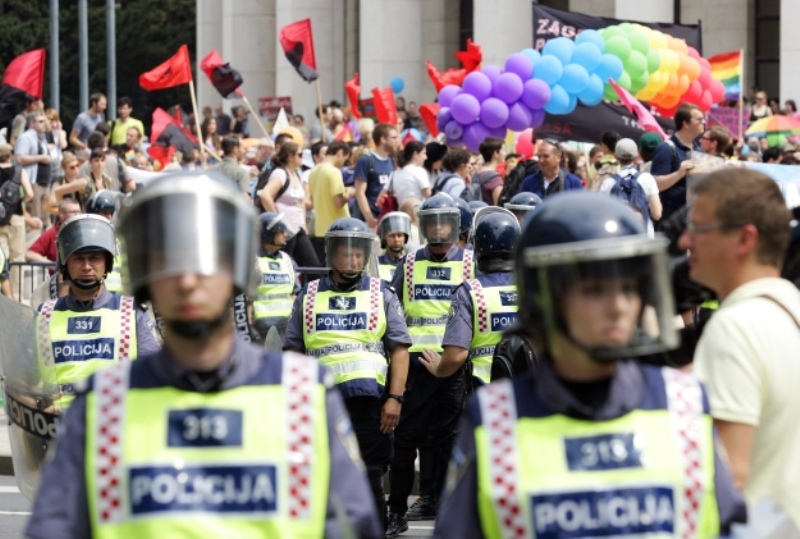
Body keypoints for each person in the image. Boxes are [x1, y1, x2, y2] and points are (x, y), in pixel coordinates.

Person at [26, 171, 383, 539]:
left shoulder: (304, 395)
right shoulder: (102, 405)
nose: (187, 280)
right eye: (169, 263)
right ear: (146, 277)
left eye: (205, 260)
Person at [435, 192, 747, 538]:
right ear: (545, 299)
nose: (619, 307)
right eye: (595, 290)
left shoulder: (685, 402)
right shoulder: (494, 419)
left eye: (629, 288)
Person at [680, 168, 800, 530]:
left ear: (745, 239)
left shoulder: (735, 327)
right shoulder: (787, 305)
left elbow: (732, 473)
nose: (686, 241)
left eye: (699, 229)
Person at [285, 217, 411, 533]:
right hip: (321, 405)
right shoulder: (308, 295)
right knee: (321, 480)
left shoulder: (382, 293)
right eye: (346, 254)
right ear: (332, 255)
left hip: (371, 404)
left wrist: (395, 398)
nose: (353, 259)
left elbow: (399, 350)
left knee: (370, 479)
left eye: (358, 253)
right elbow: (293, 353)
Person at [386, 193, 475, 536]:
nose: (438, 229)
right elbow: (392, 311)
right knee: (406, 439)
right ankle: (396, 511)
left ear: (455, 226)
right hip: (416, 366)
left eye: (445, 222)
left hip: (452, 365)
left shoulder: (469, 262)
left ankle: (440, 502)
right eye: (432, 222)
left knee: (448, 439)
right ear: (422, 226)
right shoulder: (408, 263)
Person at [35, 214, 160, 410]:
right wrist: (35, 406)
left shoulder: (131, 313)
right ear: (65, 263)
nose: (86, 266)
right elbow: (21, 382)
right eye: (78, 258)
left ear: (107, 263)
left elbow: (154, 376)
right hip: (54, 428)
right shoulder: (44, 315)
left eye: (94, 258)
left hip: (114, 423)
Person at [420, 209, 520, 386]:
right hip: (533, 390)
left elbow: (455, 356)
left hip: (487, 394)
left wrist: (439, 369)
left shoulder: (470, 292)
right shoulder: (534, 287)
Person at [258, 142, 319, 268]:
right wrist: (278, 220)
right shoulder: (280, 174)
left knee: (313, 265)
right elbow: (265, 195)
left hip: (298, 228)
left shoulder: (297, 175)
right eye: (300, 155)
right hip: (284, 230)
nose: (302, 158)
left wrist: (303, 224)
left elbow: (301, 202)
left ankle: (306, 288)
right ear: (290, 157)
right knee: (283, 264)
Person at [249, 212, 300, 343]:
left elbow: (294, 294)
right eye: (281, 231)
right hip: (260, 328)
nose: (286, 235)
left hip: (286, 328)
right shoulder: (251, 259)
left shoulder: (287, 259)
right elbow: (244, 299)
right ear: (268, 233)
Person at [651, 104, 704, 224]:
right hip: (671, 217)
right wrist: (679, 173)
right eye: (699, 119)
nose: (704, 122)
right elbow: (655, 184)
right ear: (685, 124)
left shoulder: (698, 150)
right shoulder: (666, 149)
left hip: (692, 215)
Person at [599, 138, 662, 236]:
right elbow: (657, 214)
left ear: (615, 156)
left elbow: (603, 215)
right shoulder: (647, 178)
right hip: (645, 238)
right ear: (636, 156)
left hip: (619, 241)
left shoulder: (608, 183)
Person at [308, 140, 354, 264]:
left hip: (320, 231)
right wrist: (349, 193)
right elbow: (338, 203)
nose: (343, 163)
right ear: (339, 153)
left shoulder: (313, 172)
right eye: (344, 158)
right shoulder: (334, 172)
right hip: (338, 231)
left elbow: (312, 200)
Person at [0, 142, 33, 301]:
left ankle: (4, 299)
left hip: (0, 220)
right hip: (17, 217)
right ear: (10, 155)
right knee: (17, 259)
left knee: (2, 259)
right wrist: (18, 201)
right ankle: (17, 298)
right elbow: (30, 194)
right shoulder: (19, 172)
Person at [353, 123, 399, 229]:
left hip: (387, 218)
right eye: (394, 138)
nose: (397, 141)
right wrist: (369, 218)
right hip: (371, 222)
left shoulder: (392, 160)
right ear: (383, 139)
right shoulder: (366, 160)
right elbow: (360, 192)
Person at [14, 111, 52, 222]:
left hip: (44, 183)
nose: (44, 124)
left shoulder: (42, 137)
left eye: (44, 121)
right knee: (35, 218)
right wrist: (41, 158)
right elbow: (19, 158)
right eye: (40, 121)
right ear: (31, 123)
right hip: (32, 183)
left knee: (45, 218)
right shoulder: (26, 137)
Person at [392, 141, 430, 208]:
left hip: (402, 214)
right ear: (415, 154)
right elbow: (429, 196)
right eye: (424, 153)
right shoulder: (420, 171)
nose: (426, 157)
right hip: (417, 214)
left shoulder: (395, 173)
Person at [377, 211, 411, 281]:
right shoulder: (376, 264)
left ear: (405, 238)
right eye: (392, 236)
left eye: (399, 235)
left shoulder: (411, 263)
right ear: (384, 238)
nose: (396, 239)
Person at [475, 137, 505, 206]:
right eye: (503, 150)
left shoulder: (475, 174)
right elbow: (497, 206)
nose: (505, 153)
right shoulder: (495, 179)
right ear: (495, 154)